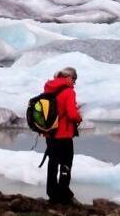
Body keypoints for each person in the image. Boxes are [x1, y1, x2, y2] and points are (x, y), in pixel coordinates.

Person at [42, 66, 82, 205]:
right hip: (64, 135)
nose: (75, 83)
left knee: (53, 163)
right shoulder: (69, 91)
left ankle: (52, 193)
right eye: (74, 79)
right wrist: (79, 117)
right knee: (66, 163)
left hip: (50, 134)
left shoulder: (49, 88)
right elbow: (71, 113)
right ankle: (63, 192)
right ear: (69, 77)